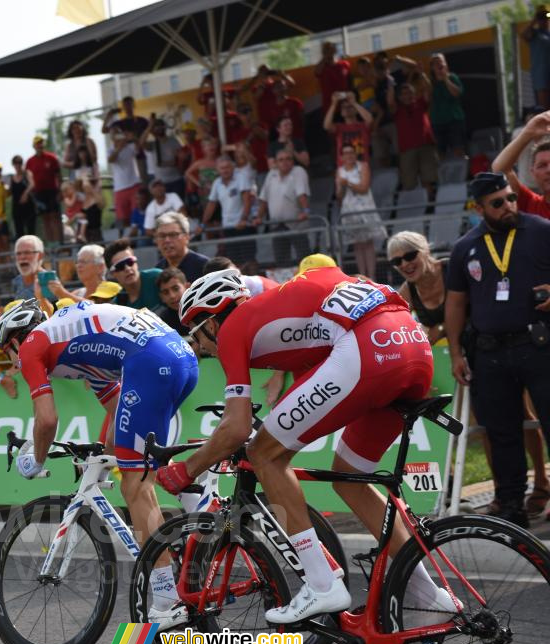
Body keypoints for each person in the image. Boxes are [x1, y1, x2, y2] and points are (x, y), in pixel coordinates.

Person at [158, 267, 455, 625]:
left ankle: (321, 582)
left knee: (264, 455)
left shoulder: (235, 326)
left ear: (212, 320)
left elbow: (236, 427)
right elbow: (309, 393)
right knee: (348, 476)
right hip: (413, 345)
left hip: (368, 345)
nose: (201, 347)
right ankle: (427, 595)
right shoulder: (279, 312)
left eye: (196, 334)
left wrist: (187, 469)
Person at [0, 298, 198, 625]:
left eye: (8, 352)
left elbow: (46, 420)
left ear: (16, 339)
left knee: (135, 484)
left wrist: (36, 459)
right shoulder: (81, 352)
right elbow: (118, 410)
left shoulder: (34, 343)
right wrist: (102, 456)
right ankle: (205, 527)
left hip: (150, 361)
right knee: (143, 467)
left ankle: (165, 600)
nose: (14, 363)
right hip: (180, 358)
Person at [445, 172, 550, 527]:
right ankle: (510, 506)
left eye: (510, 198)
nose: (508, 206)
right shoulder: (464, 248)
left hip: (538, 344)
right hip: (489, 353)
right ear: (479, 208)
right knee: (501, 433)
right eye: (498, 202)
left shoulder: (540, 229)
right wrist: (457, 352)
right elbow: (456, 303)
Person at [335, 144, 386, 281]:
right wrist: (341, 186)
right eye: (346, 153)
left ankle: (372, 275)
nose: (349, 155)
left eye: (351, 152)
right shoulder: (340, 171)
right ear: (342, 157)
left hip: (365, 210)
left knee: (368, 243)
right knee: (358, 245)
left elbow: (364, 187)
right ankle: (362, 276)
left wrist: (348, 183)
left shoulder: (362, 166)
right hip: (349, 212)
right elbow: (339, 196)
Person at [255, 150, 311, 267]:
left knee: (304, 259)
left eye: (288, 159)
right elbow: (264, 200)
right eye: (281, 160)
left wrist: (306, 211)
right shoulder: (271, 175)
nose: (285, 162)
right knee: (281, 261)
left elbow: (302, 194)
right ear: (276, 162)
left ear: (293, 161)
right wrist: (259, 217)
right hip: (277, 225)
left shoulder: (298, 171)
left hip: (296, 224)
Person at [492, 110, 550, 220]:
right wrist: (528, 132)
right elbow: (499, 169)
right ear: (533, 172)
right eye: (542, 165)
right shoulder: (531, 204)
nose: (549, 169)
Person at [387, 82, 439, 201]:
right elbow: (390, 102)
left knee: (428, 179)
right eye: (404, 94)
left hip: (426, 146)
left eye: (410, 92)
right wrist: (390, 84)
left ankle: (430, 205)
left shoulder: (421, 103)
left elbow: (428, 89)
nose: (408, 96)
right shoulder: (397, 110)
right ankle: (415, 206)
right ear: (399, 97)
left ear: (415, 94)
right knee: (409, 183)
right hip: (407, 149)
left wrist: (421, 73)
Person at [202, 157, 256, 267]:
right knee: (235, 261)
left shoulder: (241, 178)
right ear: (217, 170)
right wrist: (202, 223)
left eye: (227, 167)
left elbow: (247, 200)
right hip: (228, 227)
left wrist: (243, 219)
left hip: (244, 226)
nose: (225, 170)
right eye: (222, 168)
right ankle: (240, 284)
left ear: (233, 168)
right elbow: (211, 204)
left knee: (249, 259)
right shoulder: (217, 183)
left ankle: (252, 284)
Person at [23, 136, 63, 244]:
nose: (39, 145)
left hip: (52, 191)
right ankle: (51, 243)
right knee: (45, 218)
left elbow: (59, 175)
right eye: (37, 144)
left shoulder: (52, 158)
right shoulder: (30, 161)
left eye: (41, 143)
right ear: (34, 146)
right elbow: (27, 177)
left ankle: (59, 242)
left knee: (55, 217)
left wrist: (60, 191)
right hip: (39, 193)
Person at [428, 53, 467, 159]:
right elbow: (427, 98)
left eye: (441, 61)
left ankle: (464, 172)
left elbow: (457, 93)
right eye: (436, 63)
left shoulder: (452, 77)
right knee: (440, 152)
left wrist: (445, 78)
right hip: (438, 122)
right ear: (432, 67)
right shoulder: (431, 83)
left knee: (458, 149)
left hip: (454, 120)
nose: (439, 64)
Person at [105, 239, 162, 309]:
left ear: (136, 262)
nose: (128, 268)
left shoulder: (157, 277)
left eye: (130, 262)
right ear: (112, 273)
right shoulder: (118, 305)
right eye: (120, 266)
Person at [153, 210, 208, 283]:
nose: (167, 240)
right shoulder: (158, 271)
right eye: (162, 236)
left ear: (187, 237)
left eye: (173, 235)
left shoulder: (204, 267)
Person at [107, 125, 142, 231]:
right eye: (114, 134)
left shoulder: (130, 147)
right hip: (119, 188)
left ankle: (137, 236)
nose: (117, 136)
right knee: (122, 218)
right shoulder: (111, 150)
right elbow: (111, 159)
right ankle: (124, 239)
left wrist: (133, 138)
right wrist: (119, 148)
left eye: (118, 133)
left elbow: (139, 147)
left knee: (136, 212)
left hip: (134, 185)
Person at [323, 92, 374, 163]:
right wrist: (334, 104)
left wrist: (354, 102)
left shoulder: (363, 125)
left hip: (362, 166)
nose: (346, 109)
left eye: (350, 106)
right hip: (344, 168)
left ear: (356, 110)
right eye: (343, 107)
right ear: (341, 112)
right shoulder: (339, 127)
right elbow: (326, 126)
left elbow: (370, 119)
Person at [140, 114, 184, 195]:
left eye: (160, 125)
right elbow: (141, 143)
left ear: (164, 127)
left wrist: (167, 163)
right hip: (161, 184)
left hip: (176, 181)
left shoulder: (173, 141)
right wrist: (150, 126)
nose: (159, 128)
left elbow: (180, 159)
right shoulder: (153, 144)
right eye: (156, 126)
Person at [9, 235, 57, 303]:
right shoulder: (16, 282)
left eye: (27, 252)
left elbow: (56, 310)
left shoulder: (49, 281)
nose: (22, 257)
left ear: (40, 256)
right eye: (18, 253)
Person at [523, 5, 550, 111]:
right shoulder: (534, 33)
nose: (545, 20)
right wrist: (534, 20)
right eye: (541, 17)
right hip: (541, 78)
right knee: (545, 110)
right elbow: (524, 35)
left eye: (547, 16)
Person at [314, 41, 351, 115]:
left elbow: (349, 82)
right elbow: (317, 71)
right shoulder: (322, 68)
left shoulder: (344, 64)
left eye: (331, 49)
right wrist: (325, 58)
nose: (329, 51)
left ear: (335, 50)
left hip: (345, 105)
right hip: (330, 107)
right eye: (326, 50)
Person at [155, 268, 189, 335]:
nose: (172, 296)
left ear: (187, 287)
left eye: (176, 289)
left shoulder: (203, 310)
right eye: (165, 292)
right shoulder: (162, 322)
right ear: (162, 297)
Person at [9, 155, 35, 238]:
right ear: (13, 165)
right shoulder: (12, 178)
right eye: (15, 163)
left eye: (19, 163)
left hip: (28, 207)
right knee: (19, 231)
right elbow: (9, 192)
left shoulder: (27, 173)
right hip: (17, 208)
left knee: (31, 230)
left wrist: (25, 194)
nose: (18, 165)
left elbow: (32, 184)